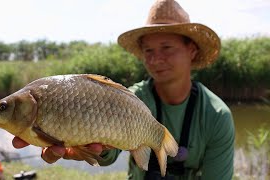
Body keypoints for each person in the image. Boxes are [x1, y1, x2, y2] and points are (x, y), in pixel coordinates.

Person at [12, 0, 235, 179]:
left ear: (192, 51)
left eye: (166, 48)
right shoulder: (131, 98)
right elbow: (110, 153)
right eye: (148, 50)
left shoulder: (217, 116)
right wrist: (90, 147)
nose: (156, 59)